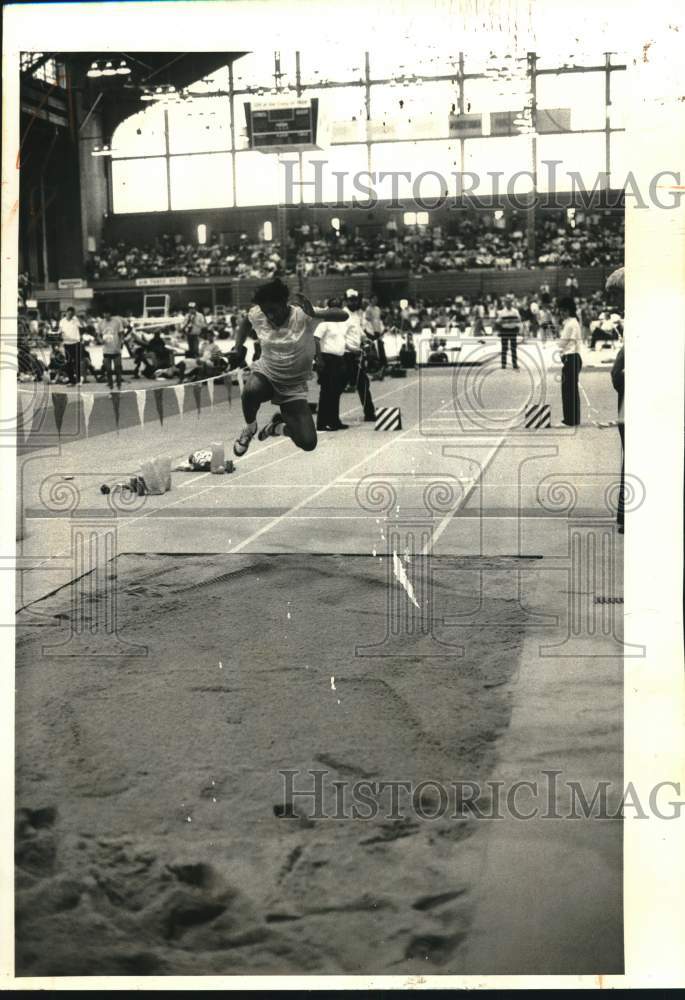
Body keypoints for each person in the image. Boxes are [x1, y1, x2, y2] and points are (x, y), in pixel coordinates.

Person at [230, 278, 348, 455]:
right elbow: (246, 323)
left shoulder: (303, 315)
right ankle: (250, 428)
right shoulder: (258, 314)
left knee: (308, 442)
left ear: (284, 303)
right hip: (267, 374)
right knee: (250, 390)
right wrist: (237, 346)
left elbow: (343, 315)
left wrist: (315, 314)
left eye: (273, 310)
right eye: (265, 311)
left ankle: (277, 428)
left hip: (293, 386)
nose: (269, 315)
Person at [315, 297, 349, 432]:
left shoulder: (341, 324)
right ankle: (322, 423)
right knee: (327, 392)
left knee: (336, 391)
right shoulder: (324, 324)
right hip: (327, 359)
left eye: (338, 306)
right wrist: (319, 359)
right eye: (333, 307)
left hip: (339, 359)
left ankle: (335, 420)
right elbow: (316, 340)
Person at [343, 289, 376, 422]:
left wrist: (365, 338)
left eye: (355, 299)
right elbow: (340, 337)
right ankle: (369, 413)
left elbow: (359, 331)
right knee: (339, 386)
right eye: (351, 299)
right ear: (346, 300)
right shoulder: (343, 315)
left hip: (355, 355)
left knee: (362, 382)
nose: (354, 301)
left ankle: (369, 413)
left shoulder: (356, 315)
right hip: (345, 354)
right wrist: (352, 349)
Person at [557, 296, 583, 426]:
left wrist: (558, 340)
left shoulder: (569, 324)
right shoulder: (574, 322)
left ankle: (570, 419)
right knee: (572, 390)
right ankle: (574, 418)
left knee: (568, 390)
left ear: (568, 310)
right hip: (574, 358)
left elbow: (561, 343)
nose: (561, 313)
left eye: (563, 310)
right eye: (560, 310)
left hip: (571, 358)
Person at [97, 306, 126, 390]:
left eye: (107, 313)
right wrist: (100, 340)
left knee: (118, 369)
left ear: (110, 314)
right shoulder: (100, 323)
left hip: (116, 349)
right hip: (106, 350)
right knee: (108, 371)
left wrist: (121, 342)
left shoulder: (117, 322)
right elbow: (98, 335)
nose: (106, 315)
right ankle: (111, 388)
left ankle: (119, 387)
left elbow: (121, 333)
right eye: (104, 313)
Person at [495, 292, 521, 369]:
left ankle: (514, 364)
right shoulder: (501, 312)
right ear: (505, 304)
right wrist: (499, 330)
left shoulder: (515, 311)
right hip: (504, 331)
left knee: (513, 348)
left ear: (511, 303)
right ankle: (503, 364)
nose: (508, 304)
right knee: (504, 348)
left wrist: (517, 327)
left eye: (510, 303)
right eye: (507, 303)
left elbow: (519, 320)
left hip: (513, 331)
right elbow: (497, 322)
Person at [58, 306, 82, 385]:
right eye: (69, 313)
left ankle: (78, 380)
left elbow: (81, 327)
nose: (70, 315)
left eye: (72, 314)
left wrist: (76, 318)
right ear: (66, 313)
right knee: (68, 363)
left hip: (76, 343)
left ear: (74, 314)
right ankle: (71, 380)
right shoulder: (62, 321)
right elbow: (60, 332)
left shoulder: (75, 320)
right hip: (67, 344)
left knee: (77, 362)